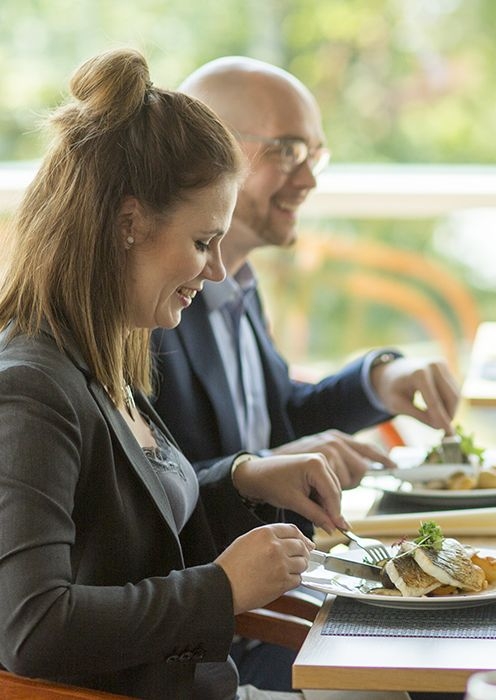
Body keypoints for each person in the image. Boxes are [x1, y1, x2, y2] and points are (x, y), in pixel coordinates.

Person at [0, 48, 347, 699]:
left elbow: (130, 532)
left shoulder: (106, 357)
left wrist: (243, 478)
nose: (216, 271)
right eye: (200, 243)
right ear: (128, 223)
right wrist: (220, 589)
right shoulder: (28, 390)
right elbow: (34, 628)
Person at [147, 57, 460, 690]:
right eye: (289, 151)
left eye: (317, 154)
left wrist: (377, 382)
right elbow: (157, 496)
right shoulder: (154, 310)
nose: (310, 178)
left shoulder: (235, 284)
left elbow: (276, 416)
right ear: (214, 150)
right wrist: (256, 469)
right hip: (229, 629)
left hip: (273, 597)